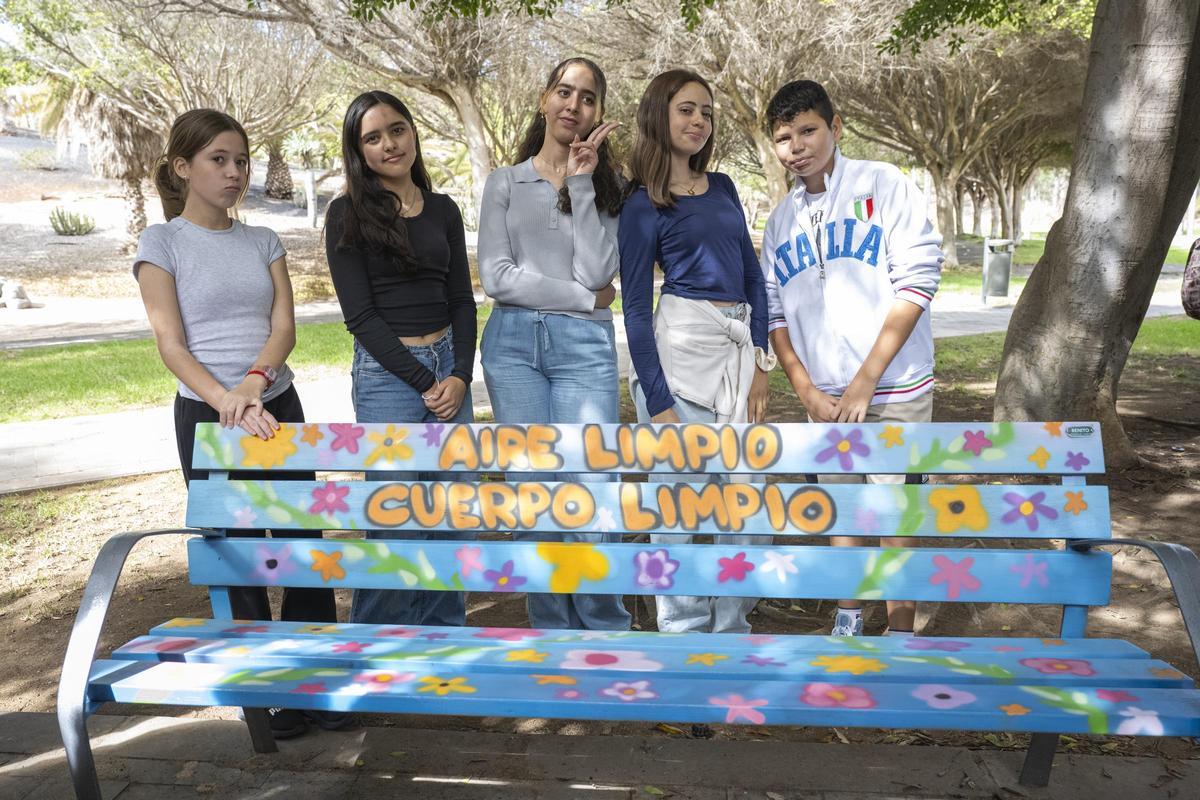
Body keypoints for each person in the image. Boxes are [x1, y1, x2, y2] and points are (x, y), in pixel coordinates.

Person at [134, 108, 339, 739]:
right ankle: (263, 695)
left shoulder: (263, 240)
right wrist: (225, 400)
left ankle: (317, 688)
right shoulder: (161, 243)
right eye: (218, 160)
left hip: (276, 404)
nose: (233, 172)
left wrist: (253, 384)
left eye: (240, 160)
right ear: (182, 168)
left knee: (300, 544)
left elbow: (284, 326)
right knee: (239, 553)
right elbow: (171, 343)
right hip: (206, 412)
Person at [760, 79, 944, 637]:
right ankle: (848, 618)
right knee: (842, 511)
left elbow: (918, 280)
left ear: (836, 128)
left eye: (808, 130)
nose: (797, 146)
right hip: (826, 397)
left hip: (894, 389)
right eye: (784, 137)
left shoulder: (883, 184)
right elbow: (773, 312)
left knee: (894, 515)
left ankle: (902, 632)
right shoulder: (779, 221)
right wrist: (805, 388)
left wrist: (867, 380)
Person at [477, 57, 630, 631]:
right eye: (564, 92)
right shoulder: (505, 182)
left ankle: (606, 627)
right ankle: (552, 633)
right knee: (533, 491)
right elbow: (497, 277)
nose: (574, 105)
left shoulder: (609, 189)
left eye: (587, 98)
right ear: (544, 99)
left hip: (583, 351)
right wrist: (583, 297)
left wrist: (585, 182)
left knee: (592, 485)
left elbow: (598, 270)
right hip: (513, 347)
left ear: (598, 113)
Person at [619, 69, 774, 635]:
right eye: (687, 110)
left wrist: (761, 362)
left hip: (738, 360)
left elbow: (753, 279)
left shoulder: (726, 187)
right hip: (679, 366)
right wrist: (658, 402)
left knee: (749, 511)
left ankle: (731, 631)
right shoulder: (642, 205)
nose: (699, 121)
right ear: (659, 115)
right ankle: (681, 640)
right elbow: (635, 307)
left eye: (706, 112)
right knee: (677, 515)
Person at [325, 90, 477, 629]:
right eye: (372, 137)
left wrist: (458, 375)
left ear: (413, 132)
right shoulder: (345, 214)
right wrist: (425, 380)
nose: (389, 143)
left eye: (397, 129)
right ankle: (377, 650)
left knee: (453, 514)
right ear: (358, 151)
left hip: (447, 370)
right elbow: (360, 317)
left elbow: (461, 298)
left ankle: (443, 644)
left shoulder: (443, 210)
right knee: (394, 519)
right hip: (388, 375)